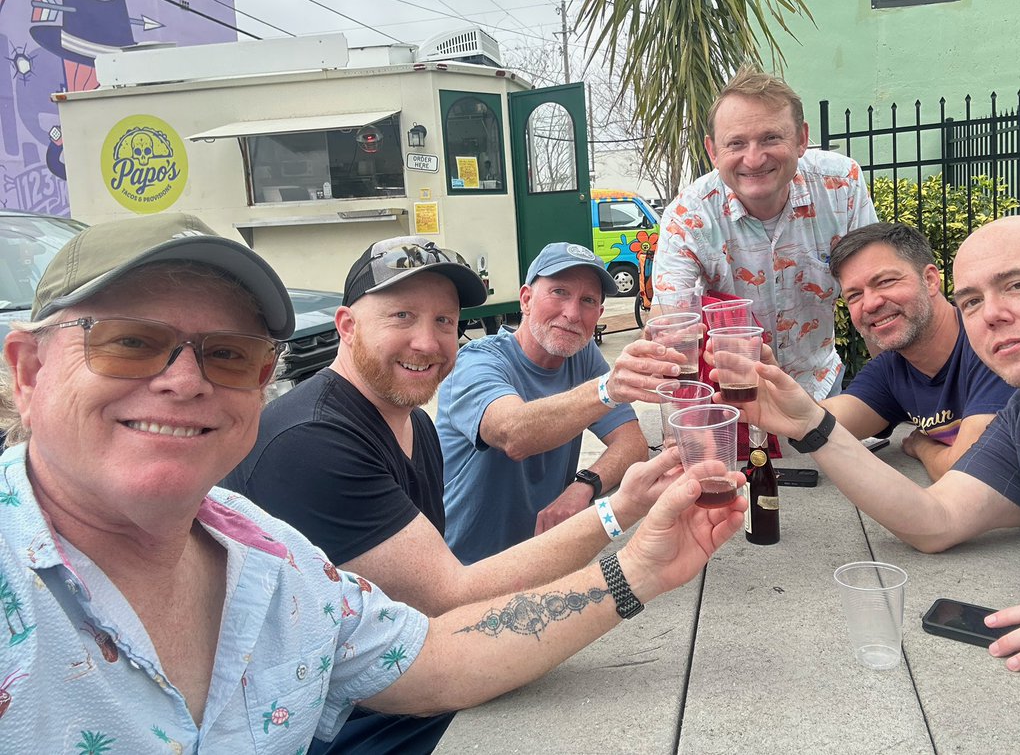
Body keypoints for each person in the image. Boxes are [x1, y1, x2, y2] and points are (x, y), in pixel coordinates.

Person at [0, 213, 744, 752]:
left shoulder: (269, 556)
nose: (184, 380)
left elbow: (432, 655)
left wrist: (640, 569)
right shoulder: (315, 441)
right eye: (131, 343)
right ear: (28, 372)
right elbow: (458, 578)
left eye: (227, 354)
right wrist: (617, 509)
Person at [733, 215, 1020, 735]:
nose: (992, 315)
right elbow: (936, 520)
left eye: (1017, 285)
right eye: (973, 300)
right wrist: (810, 425)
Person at [225, 235, 687, 753]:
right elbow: (446, 604)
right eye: (401, 316)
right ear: (346, 326)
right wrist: (625, 526)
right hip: (314, 722)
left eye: (444, 321)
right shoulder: (311, 442)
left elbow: (424, 623)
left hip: (390, 668)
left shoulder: (415, 427)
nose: (426, 341)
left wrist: (598, 490)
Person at [440, 242, 680, 565]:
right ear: (525, 300)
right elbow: (514, 433)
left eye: (588, 301)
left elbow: (633, 444)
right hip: (463, 569)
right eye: (559, 292)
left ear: (599, 314)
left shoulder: (582, 357)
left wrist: (585, 486)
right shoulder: (476, 362)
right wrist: (608, 390)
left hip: (541, 559)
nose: (572, 313)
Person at [652, 65, 877, 398]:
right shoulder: (688, 216)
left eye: (771, 138)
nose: (754, 159)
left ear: (801, 139)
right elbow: (671, 323)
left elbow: (874, 298)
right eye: (736, 143)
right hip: (732, 396)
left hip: (818, 386)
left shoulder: (841, 186)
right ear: (713, 151)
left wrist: (904, 399)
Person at [823, 222, 1015, 480]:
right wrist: (768, 391)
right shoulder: (893, 367)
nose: (870, 303)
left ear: (931, 280)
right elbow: (826, 420)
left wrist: (922, 445)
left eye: (886, 281)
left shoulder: (989, 342)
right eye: (855, 295)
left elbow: (970, 469)